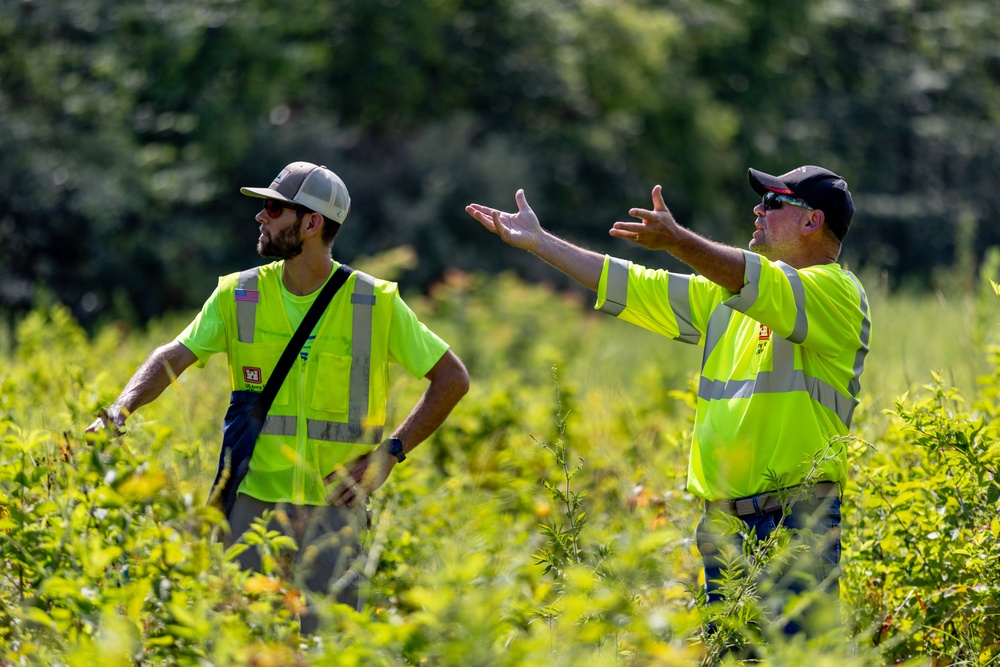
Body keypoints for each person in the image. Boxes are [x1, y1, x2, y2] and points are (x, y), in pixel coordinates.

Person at [466, 166, 870, 643]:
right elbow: (634, 284)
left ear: (811, 222)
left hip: (795, 522)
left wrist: (678, 239)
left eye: (774, 203)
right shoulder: (732, 298)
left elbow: (749, 276)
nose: (758, 210)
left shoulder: (836, 293)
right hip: (725, 526)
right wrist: (540, 242)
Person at [87, 161, 470, 630]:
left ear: (311, 223)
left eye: (273, 207)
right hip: (250, 506)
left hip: (335, 513)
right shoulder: (238, 293)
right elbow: (173, 355)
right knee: (238, 643)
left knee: (328, 650)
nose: (260, 217)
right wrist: (118, 410)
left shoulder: (376, 303)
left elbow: (452, 379)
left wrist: (391, 453)